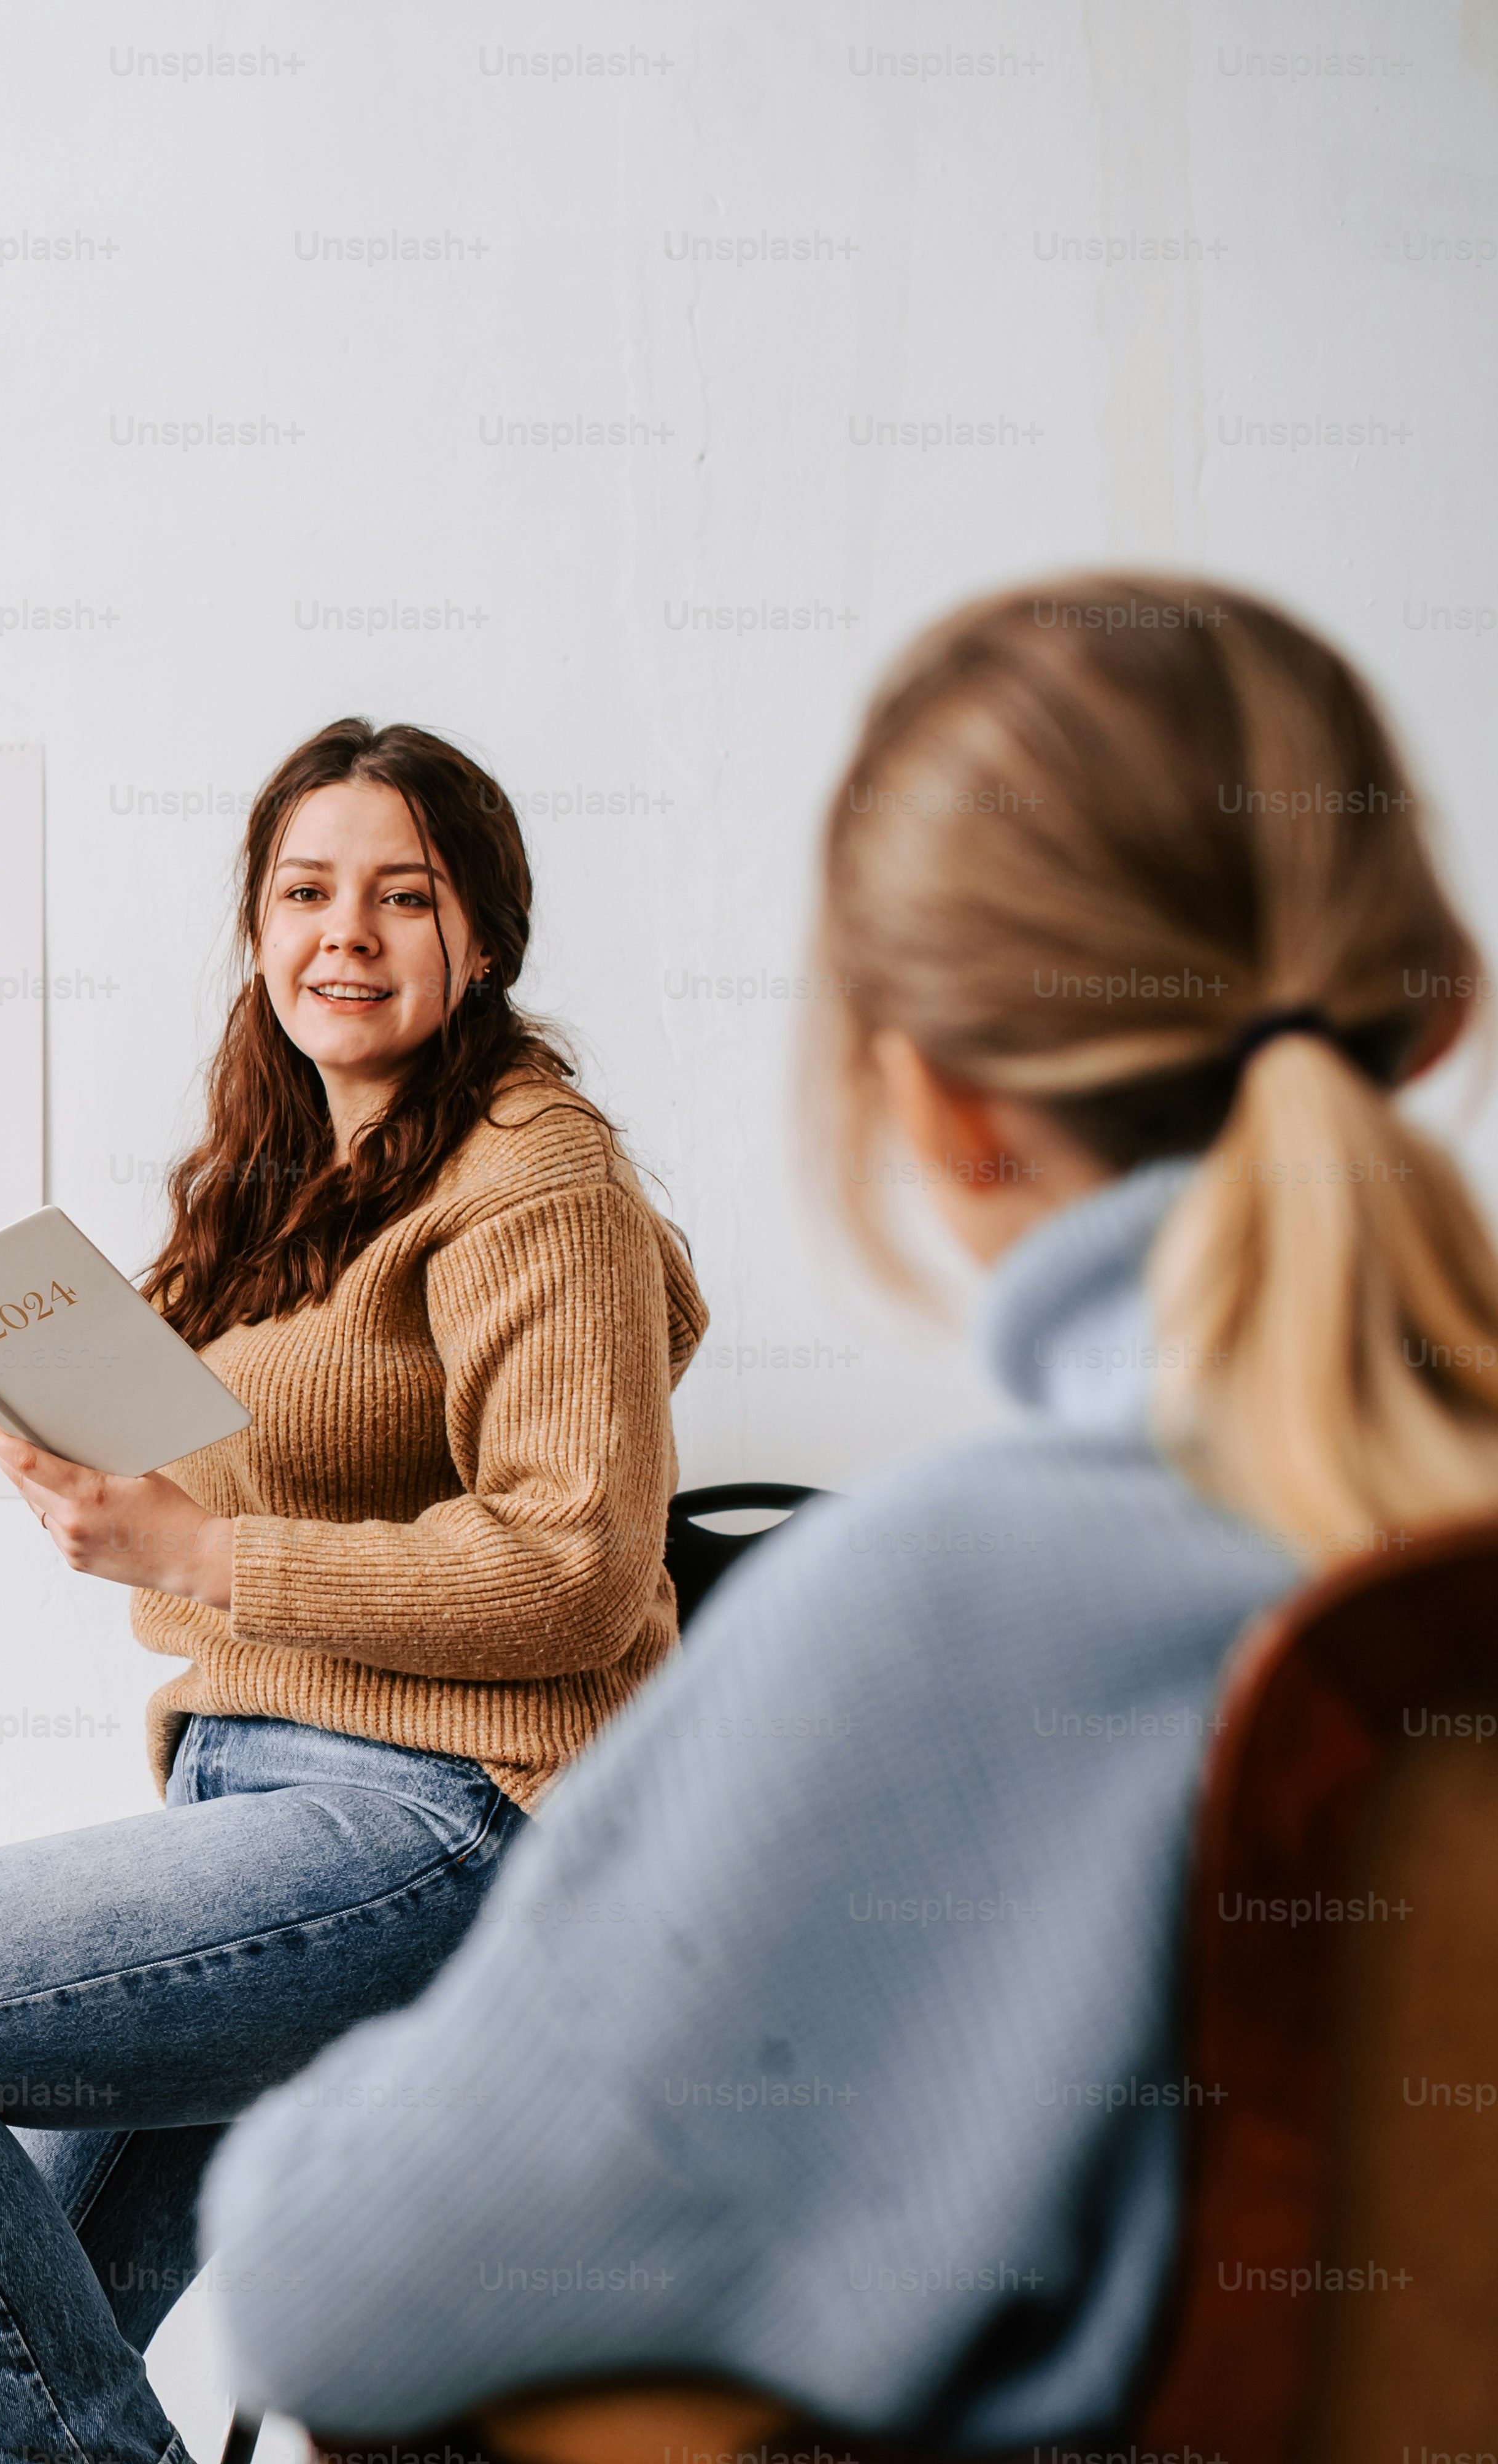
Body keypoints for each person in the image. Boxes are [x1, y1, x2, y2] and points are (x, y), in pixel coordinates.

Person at [203, 576, 1498, 2444]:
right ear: (1432, 1013)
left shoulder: (957, 1601)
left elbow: (336, 2290)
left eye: (404, 891)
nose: (351, 934)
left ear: (939, 1100)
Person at [0, 719, 707, 2464]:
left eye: (403, 897)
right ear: (257, 931)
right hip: (254, 1810)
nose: (347, 933)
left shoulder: (534, 1176)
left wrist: (198, 1556)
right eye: (306, 892)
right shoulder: (296, 1177)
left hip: (454, 1824)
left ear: (483, 934)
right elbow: (164, 1418)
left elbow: (575, 1573)